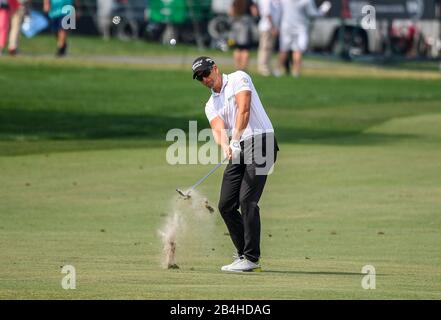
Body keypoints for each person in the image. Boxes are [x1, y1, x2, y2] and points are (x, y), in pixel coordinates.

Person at [191, 56, 279, 272]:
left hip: (262, 141)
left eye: (205, 73)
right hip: (238, 147)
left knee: (247, 200)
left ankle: (251, 258)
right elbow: (218, 130)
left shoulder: (239, 78)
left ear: (215, 69)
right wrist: (226, 147)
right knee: (226, 205)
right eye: (199, 77)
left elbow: (244, 109)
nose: (204, 79)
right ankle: (242, 254)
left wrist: (236, 138)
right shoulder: (211, 105)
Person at [277, 0, 331, 77]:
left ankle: (278, 71)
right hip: (299, 27)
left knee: (284, 50)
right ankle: (295, 72)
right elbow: (313, 13)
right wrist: (323, 10)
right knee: (296, 50)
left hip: (287, 27)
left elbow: (278, 10)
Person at [228, 0, 258, 71]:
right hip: (245, 26)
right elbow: (254, 13)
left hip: (236, 25)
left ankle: (237, 68)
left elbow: (231, 12)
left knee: (237, 48)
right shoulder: (249, 1)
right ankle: (243, 69)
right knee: (245, 49)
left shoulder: (235, 1)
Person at [256, 0, 281, 76]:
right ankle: (263, 68)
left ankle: (267, 67)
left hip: (269, 27)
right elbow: (267, 13)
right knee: (265, 48)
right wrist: (273, 27)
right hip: (267, 27)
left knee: (269, 49)